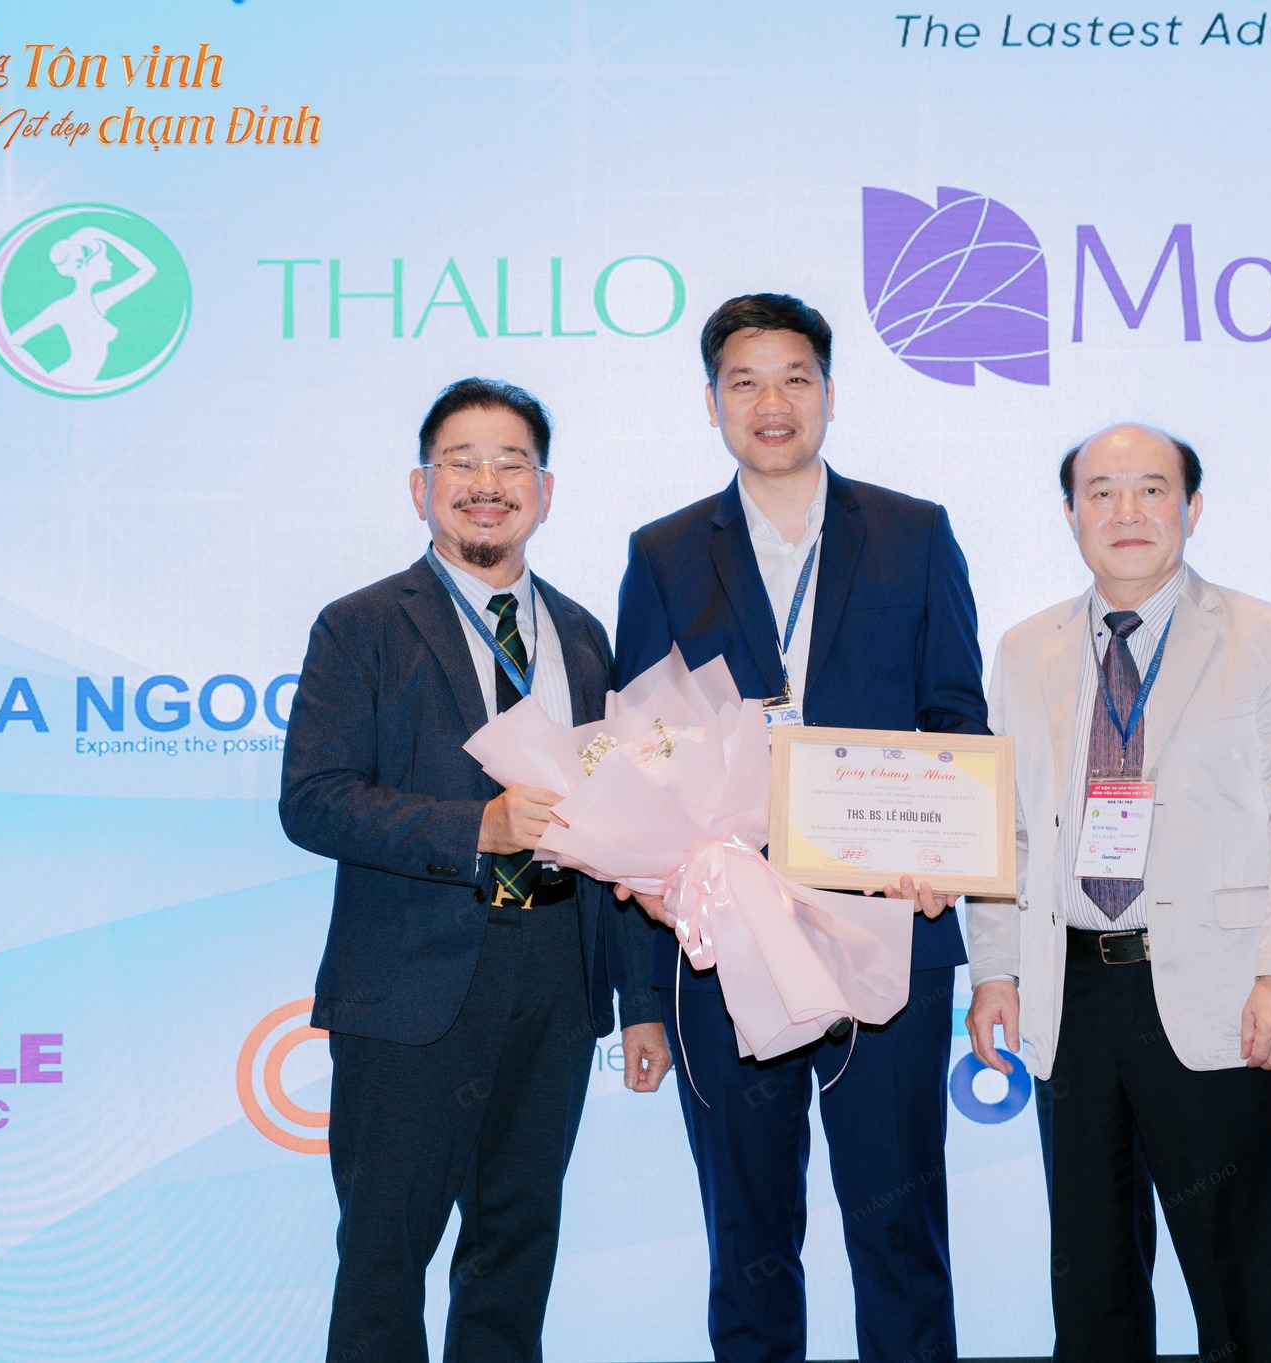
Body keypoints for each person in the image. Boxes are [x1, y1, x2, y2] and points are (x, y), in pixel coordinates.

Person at [612, 294, 986, 1363]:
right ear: (712, 402)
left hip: (885, 927)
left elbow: (955, 715)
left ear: (828, 393)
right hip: (723, 941)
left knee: (899, 1236)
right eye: (744, 382)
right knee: (750, 1243)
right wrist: (643, 980)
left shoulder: (913, 532)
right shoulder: (665, 551)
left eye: (794, 379)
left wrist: (940, 851)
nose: (770, 403)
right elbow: (637, 754)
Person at [279, 378, 671, 1363]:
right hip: (410, 988)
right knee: (384, 1262)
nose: (486, 483)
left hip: (554, 981)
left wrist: (640, 1001)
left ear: (546, 491)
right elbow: (313, 799)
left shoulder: (582, 635)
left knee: (514, 1255)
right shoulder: (360, 626)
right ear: (421, 487)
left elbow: (623, 824)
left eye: (511, 463)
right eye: (462, 461)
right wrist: (476, 828)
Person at [965, 423, 1271, 1363]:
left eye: (1150, 489)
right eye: (1101, 492)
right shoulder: (1025, 649)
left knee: (1236, 1280)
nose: (1125, 511)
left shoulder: (1263, 636)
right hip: (1072, 992)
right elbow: (1007, 831)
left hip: (1218, 988)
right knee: (1091, 1282)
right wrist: (996, 972)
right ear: (1070, 515)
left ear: (1192, 507)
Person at [8, 226, 156, 384]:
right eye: (104, 258)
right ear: (83, 265)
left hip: (83, 384)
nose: (110, 263)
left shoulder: (100, 301)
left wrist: (104, 235)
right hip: (67, 380)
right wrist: (43, 377)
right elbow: (13, 342)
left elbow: (148, 269)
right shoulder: (61, 308)